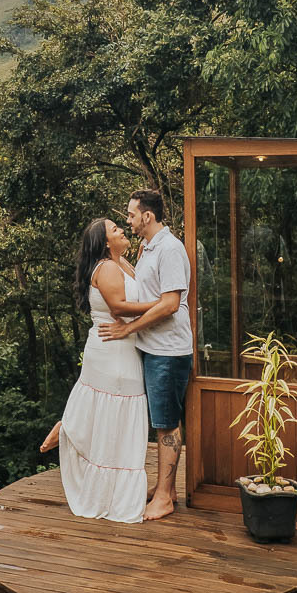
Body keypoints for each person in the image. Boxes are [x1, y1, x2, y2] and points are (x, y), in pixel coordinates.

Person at [40, 217, 158, 523]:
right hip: (111, 352)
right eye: (116, 229)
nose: (122, 230)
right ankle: (71, 433)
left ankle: (69, 429)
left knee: (116, 416)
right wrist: (162, 304)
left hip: (123, 348)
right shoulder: (106, 267)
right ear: (106, 242)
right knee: (114, 414)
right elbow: (118, 306)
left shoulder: (124, 264)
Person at [99, 189, 193, 521]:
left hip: (168, 351)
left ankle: (165, 497)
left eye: (131, 214)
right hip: (153, 348)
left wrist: (128, 328)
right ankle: (166, 487)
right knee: (161, 423)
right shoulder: (150, 248)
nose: (128, 220)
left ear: (147, 216)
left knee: (167, 425)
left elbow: (169, 305)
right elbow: (145, 288)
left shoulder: (169, 249)